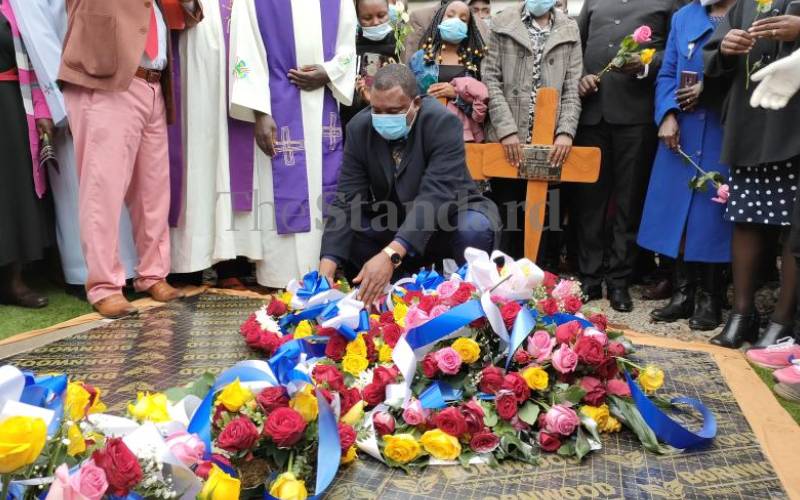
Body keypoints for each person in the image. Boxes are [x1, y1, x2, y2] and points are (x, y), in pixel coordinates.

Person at [59, 0, 203, 318]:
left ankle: (153, 273)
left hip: (153, 82)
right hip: (105, 82)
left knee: (153, 189)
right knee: (102, 191)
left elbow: (186, 17)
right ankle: (104, 287)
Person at [319, 64, 500, 307]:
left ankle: (471, 301)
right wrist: (326, 268)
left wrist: (390, 254)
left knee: (475, 227)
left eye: (393, 111)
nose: (383, 119)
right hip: (395, 218)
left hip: (448, 217)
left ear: (416, 103)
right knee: (352, 230)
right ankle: (389, 292)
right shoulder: (359, 128)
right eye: (377, 111)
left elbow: (436, 195)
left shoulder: (443, 123)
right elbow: (347, 197)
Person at [8, 0, 139, 292]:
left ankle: (125, 266)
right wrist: (63, 100)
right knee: (77, 185)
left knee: (112, 181)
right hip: (69, 89)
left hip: (107, 81)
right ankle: (83, 272)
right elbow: (39, 37)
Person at [228, 0, 356, 288]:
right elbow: (246, 52)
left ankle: (326, 268)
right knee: (280, 185)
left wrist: (329, 71)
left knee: (325, 186)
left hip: (323, 100)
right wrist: (259, 112)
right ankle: (279, 275)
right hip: (276, 104)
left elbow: (348, 45)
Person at [572, 0, 680, 312]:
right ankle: (589, 277)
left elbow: (672, 55)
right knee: (589, 202)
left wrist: (646, 63)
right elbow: (574, 48)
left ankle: (620, 280)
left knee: (628, 201)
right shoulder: (593, 2)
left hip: (635, 116)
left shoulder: (667, 4)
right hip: (592, 114)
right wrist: (580, 76)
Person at [704, 1, 800, 348]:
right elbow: (712, 54)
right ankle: (742, 314)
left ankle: (783, 321)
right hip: (749, 119)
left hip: (792, 124)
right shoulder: (744, 3)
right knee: (745, 216)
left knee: (794, 225)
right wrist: (725, 48)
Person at [638, 0, 735, 331]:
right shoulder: (684, 16)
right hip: (682, 129)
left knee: (711, 214)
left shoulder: (748, 12)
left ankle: (710, 297)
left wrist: (708, 89)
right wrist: (666, 113)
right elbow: (668, 72)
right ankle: (682, 294)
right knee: (676, 211)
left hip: (724, 129)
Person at [168, 0, 266, 290]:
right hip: (191, 64)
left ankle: (230, 262)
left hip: (236, 73)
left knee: (231, 163)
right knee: (194, 159)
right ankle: (188, 264)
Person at [481, 0, 583, 259]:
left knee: (545, 216)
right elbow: (490, 80)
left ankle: (540, 284)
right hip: (509, 140)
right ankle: (502, 283)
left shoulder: (569, 29)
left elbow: (572, 87)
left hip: (549, 141)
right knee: (508, 213)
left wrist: (565, 132)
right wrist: (506, 130)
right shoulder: (502, 23)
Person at [0, 0, 54, 308]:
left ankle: (13, 280)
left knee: (14, 191)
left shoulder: (16, 6)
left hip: (10, 103)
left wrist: (42, 110)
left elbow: (35, 59)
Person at [408, 1, 488, 143]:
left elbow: (482, 111)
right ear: (439, 19)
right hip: (426, 132)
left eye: (463, 19)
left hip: (463, 137)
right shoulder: (419, 58)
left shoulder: (476, 61)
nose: (456, 20)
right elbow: (408, 99)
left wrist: (457, 95)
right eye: (450, 16)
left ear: (468, 27)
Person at [341, 0, 400, 130]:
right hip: (355, 123)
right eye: (367, 18)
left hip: (392, 124)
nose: (375, 22)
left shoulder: (400, 45)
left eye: (381, 15)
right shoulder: (348, 47)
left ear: (389, 12)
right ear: (356, 18)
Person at [405, 0, 489, 64]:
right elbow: (410, 62)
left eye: (463, 20)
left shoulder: (481, 25)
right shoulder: (419, 17)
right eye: (450, 16)